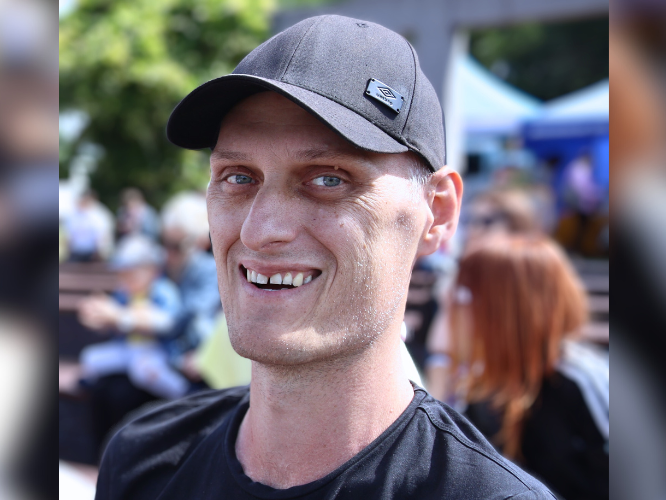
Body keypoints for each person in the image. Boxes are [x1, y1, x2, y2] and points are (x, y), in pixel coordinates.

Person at [96, 15, 554, 499]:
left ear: (437, 212)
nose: (259, 231)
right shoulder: (143, 460)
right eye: (238, 177)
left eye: (329, 179)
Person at [443, 234, 609, 500]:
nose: (453, 307)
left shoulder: (580, 381)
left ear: (507, 309)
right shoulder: (483, 384)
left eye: (466, 295)